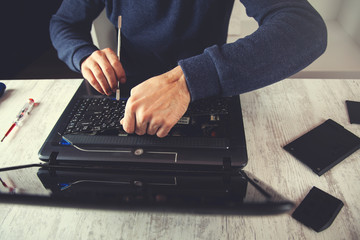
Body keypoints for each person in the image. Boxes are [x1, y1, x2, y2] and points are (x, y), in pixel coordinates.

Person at [50, 0, 327, 138]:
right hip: (125, 90)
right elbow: (62, 24)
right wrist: (83, 54)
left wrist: (185, 81)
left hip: (206, 90)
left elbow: (306, 29)